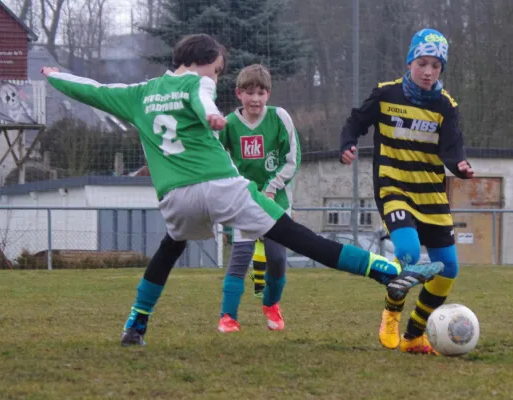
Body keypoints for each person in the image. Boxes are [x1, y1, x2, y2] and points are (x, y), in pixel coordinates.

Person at [41, 33, 442, 347]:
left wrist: (55, 76)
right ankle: (388, 271)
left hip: (175, 198)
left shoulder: (138, 94)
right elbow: (200, 96)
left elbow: (90, 88)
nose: (215, 77)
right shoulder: (197, 86)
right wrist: (213, 114)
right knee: (297, 236)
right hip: (220, 186)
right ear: (201, 64)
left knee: (169, 250)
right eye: (216, 71)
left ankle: (136, 323)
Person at [339, 28, 474, 355]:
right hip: (394, 186)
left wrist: (461, 167)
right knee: (410, 252)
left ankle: (415, 334)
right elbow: (355, 122)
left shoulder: (445, 105)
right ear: (411, 61)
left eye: (436, 66)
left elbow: (451, 149)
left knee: (449, 269)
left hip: (431, 194)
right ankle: (391, 314)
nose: (428, 72)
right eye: (422, 63)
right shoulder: (386, 94)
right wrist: (348, 144)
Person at [217, 64, 300, 333]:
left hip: (276, 202)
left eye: (261, 93)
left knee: (277, 259)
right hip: (244, 201)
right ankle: (228, 316)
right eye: (250, 92)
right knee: (240, 258)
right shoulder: (228, 125)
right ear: (238, 93)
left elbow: (292, 160)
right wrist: (235, 190)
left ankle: (271, 305)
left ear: (269, 94)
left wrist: (272, 187)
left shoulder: (280, 118)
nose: (255, 98)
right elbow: (219, 160)